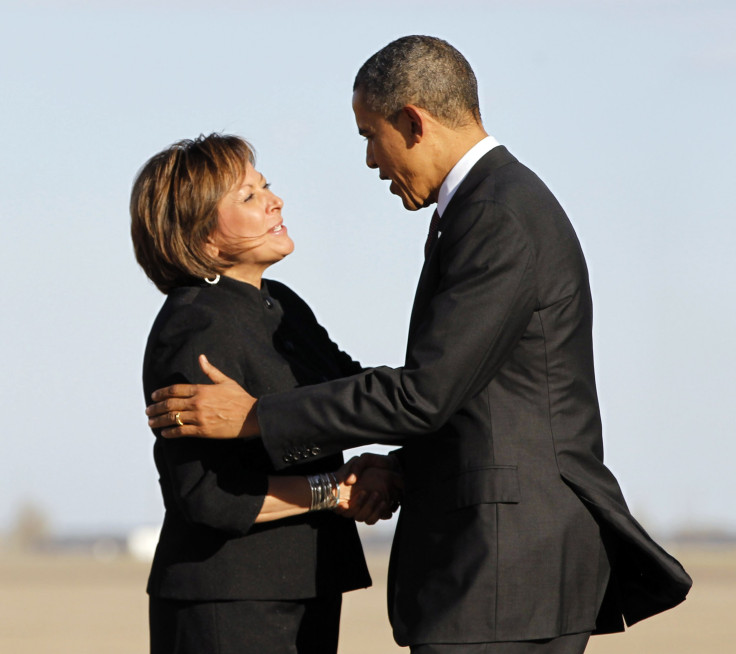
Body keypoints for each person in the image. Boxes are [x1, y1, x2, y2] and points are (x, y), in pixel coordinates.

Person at [146, 37, 693, 653]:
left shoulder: (496, 216)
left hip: (501, 567)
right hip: (264, 603)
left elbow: (426, 392)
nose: (371, 160)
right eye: (249, 194)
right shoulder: (198, 322)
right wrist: (391, 473)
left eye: (368, 135)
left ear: (412, 122)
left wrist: (256, 420)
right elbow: (461, 396)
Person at [130, 133, 401, 654]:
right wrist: (333, 490)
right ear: (202, 238)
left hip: (304, 585)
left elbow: (352, 391)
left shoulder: (281, 305)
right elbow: (206, 495)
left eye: (266, 187)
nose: (275, 201)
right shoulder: (194, 328)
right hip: (228, 601)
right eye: (248, 196)